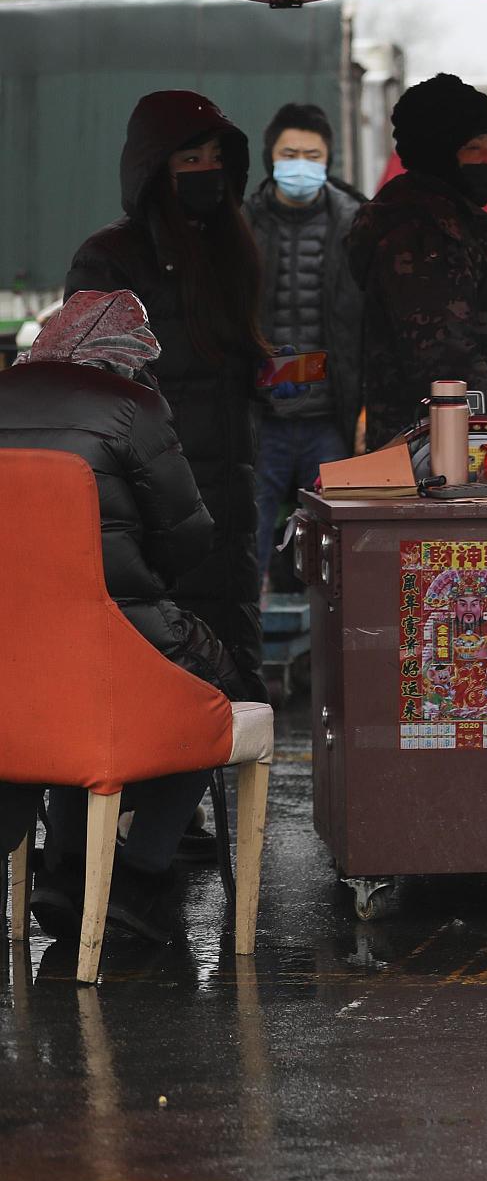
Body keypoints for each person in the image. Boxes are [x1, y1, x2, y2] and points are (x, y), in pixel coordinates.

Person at [0, 291, 262, 944]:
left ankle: (64, 866)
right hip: (119, 633)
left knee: (63, 702)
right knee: (218, 684)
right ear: (124, 353)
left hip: (12, 657)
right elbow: (190, 535)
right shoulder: (132, 408)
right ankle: (139, 871)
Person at [66, 90, 267, 687]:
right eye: (188, 160)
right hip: (155, 502)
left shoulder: (228, 249)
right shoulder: (109, 258)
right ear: (153, 169)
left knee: (227, 668)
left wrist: (264, 373)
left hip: (230, 494)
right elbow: (95, 397)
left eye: (214, 157)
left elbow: (219, 366)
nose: (207, 171)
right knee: (161, 680)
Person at [346, 74, 487, 462]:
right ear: (439, 154)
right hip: (459, 474)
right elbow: (450, 367)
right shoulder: (420, 237)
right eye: (472, 148)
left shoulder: (468, 228)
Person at [248, 102, 365, 574]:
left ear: (328, 161)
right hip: (262, 420)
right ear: (270, 158)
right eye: (290, 153)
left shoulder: (356, 224)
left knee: (340, 552)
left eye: (312, 155)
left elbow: (371, 325)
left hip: (329, 422)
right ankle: (242, 645)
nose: (301, 164)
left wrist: (365, 409)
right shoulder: (242, 225)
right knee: (245, 545)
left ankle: (341, 646)